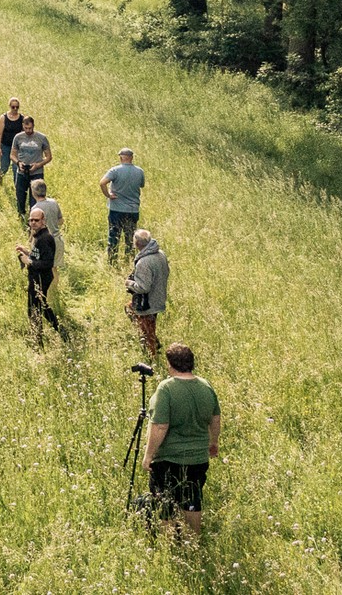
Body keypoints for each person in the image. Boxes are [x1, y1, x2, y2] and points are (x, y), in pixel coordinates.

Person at [144, 343, 220, 540]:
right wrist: (214, 443)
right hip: (198, 458)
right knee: (193, 498)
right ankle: (193, 539)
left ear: (171, 365)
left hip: (170, 458)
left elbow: (160, 426)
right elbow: (215, 418)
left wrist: (148, 456)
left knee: (166, 501)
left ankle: (169, 543)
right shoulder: (205, 386)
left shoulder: (166, 388)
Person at [14, 207, 64, 345]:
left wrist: (28, 262)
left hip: (41, 278)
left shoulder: (45, 238)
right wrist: (27, 252)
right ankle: (60, 330)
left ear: (44, 221)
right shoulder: (38, 236)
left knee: (34, 309)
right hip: (37, 278)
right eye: (31, 220)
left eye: (36, 220)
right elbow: (39, 256)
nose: (33, 223)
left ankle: (38, 340)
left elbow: (47, 263)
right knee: (42, 306)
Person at [126, 229, 169, 356]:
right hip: (159, 295)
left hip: (148, 303)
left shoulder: (143, 262)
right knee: (129, 308)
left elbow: (143, 288)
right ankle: (154, 342)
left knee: (148, 330)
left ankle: (152, 357)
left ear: (137, 244)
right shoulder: (160, 254)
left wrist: (129, 283)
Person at [100, 147, 146, 261]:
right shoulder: (140, 171)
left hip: (116, 209)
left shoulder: (115, 170)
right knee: (130, 237)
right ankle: (129, 259)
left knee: (114, 236)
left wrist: (108, 195)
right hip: (133, 209)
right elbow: (141, 185)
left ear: (121, 158)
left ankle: (112, 261)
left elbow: (102, 183)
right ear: (132, 158)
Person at [10, 115, 51, 217]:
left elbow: (49, 156)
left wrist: (38, 165)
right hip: (21, 172)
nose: (28, 130)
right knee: (20, 197)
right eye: (26, 128)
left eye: (30, 128)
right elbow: (12, 155)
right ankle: (22, 215)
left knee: (35, 200)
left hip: (37, 173)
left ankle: (34, 218)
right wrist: (18, 163)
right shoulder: (18, 138)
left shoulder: (41, 138)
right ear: (23, 126)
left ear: (33, 126)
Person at [30, 178, 64, 269]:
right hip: (57, 239)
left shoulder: (35, 208)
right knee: (54, 269)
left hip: (43, 242)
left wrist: (30, 242)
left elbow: (34, 228)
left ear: (33, 192)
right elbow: (61, 221)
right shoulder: (54, 202)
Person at [0, 98, 23, 182]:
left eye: (17, 107)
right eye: (13, 107)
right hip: (5, 146)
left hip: (16, 148)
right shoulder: (3, 118)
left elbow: (23, 134)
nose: (15, 109)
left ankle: (17, 186)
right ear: (9, 106)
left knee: (16, 167)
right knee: (4, 166)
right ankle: (0, 178)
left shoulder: (22, 118)